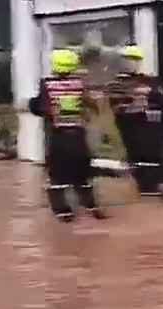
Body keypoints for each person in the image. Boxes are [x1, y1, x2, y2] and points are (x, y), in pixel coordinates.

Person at [29, 49, 106, 222]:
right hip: (78, 135)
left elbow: (41, 107)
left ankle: (63, 211)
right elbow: (92, 105)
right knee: (82, 173)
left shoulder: (47, 84)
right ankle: (92, 206)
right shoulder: (80, 84)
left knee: (57, 175)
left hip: (58, 137)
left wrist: (32, 104)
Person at [108, 45, 163, 197]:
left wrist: (147, 95)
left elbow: (160, 96)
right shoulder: (116, 83)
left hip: (145, 123)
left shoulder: (148, 80)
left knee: (149, 153)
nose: (131, 63)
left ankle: (152, 185)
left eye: (135, 60)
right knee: (134, 154)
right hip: (127, 123)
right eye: (128, 59)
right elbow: (117, 104)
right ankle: (144, 185)